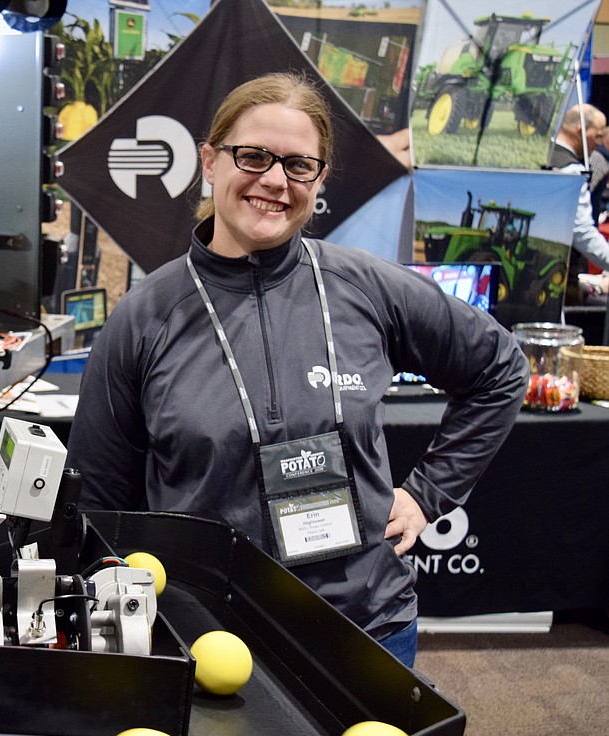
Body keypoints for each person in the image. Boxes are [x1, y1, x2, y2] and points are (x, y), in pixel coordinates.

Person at [66, 73, 529, 668]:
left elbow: (500, 368)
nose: (274, 181)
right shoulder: (144, 319)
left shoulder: (364, 286)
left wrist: (426, 494)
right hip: (207, 639)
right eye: (252, 156)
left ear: (319, 180)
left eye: (298, 165)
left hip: (366, 628)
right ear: (209, 162)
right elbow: (100, 502)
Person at [547, 103, 609, 302]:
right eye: (597, 135)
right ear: (581, 131)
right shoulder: (571, 171)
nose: (599, 143)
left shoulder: (542, 154)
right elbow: (582, 232)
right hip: (561, 279)